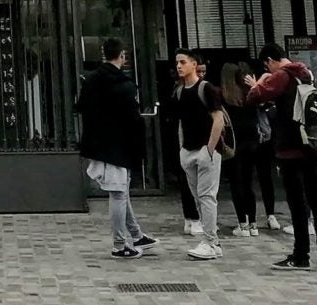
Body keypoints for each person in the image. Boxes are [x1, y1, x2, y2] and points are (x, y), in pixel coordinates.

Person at [244, 43, 317, 269]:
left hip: (291, 148)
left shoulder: (281, 76)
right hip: (311, 144)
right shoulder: (306, 74)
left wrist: (260, 81)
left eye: (268, 65)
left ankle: (301, 255)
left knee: (297, 203)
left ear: (270, 61)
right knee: (316, 199)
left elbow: (254, 97)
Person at [76, 39, 155, 259]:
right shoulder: (124, 85)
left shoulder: (91, 80)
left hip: (99, 143)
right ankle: (120, 245)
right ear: (122, 56)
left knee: (120, 191)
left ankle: (137, 235)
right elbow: (133, 118)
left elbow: (81, 107)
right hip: (119, 145)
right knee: (119, 193)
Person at [168, 51, 231, 262]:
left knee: (206, 197)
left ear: (194, 64)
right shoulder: (178, 92)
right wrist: (182, 150)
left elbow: (218, 119)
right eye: (177, 62)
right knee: (199, 198)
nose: (179, 66)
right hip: (189, 150)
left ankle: (210, 241)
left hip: (206, 151)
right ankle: (211, 241)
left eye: (183, 62)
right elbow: (181, 123)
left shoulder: (206, 89)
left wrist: (209, 150)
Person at [221, 62, 282, 238]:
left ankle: (242, 223)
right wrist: (255, 86)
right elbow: (265, 106)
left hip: (234, 143)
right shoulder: (248, 95)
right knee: (248, 183)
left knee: (236, 183)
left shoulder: (224, 97)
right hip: (252, 142)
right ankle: (253, 223)